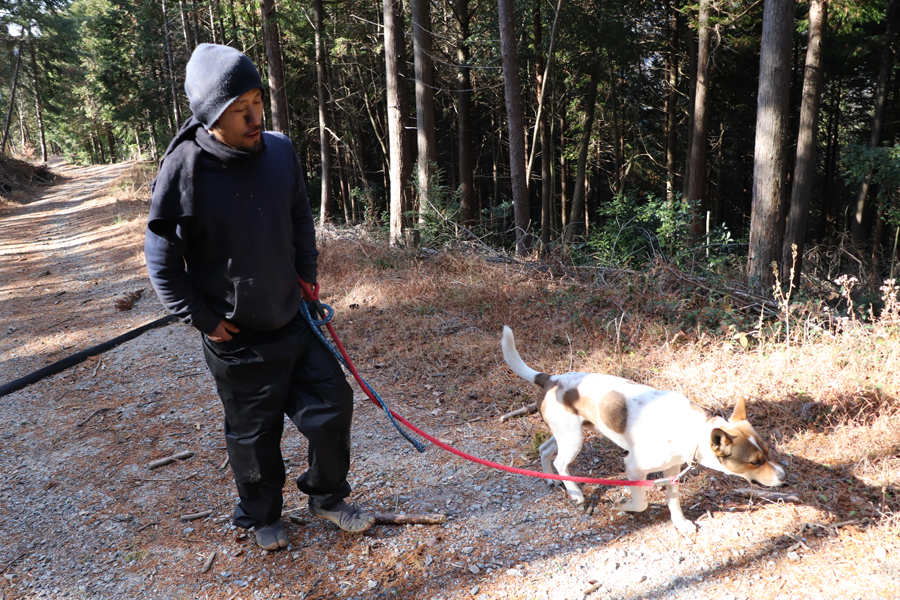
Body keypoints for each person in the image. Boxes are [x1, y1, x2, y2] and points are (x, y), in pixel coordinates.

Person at [144, 43, 373, 551]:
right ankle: (261, 513)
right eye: (238, 108)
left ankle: (326, 496)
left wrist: (307, 279)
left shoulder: (281, 151)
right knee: (253, 435)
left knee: (333, 405)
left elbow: (298, 219)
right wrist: (203, 318)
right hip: (236, 335)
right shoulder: (185, 171)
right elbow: (162, 263)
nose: (254, 116)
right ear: (210, 115)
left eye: (257, 101)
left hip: (293, 316)